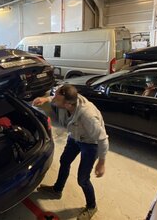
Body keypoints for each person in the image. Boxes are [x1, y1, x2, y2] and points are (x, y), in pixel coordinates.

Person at [33, 84, 109, 220]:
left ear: (68, 104)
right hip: (75, 137)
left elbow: (103, 139)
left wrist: (102, 162)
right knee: (64, 161)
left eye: (56, 97)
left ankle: (92, 206)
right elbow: (58, 97)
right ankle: (57, 190)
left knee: (83, 179)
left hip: (90, 144)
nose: (54, 98)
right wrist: (46, 99)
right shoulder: (69, 99)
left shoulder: (88, 116)